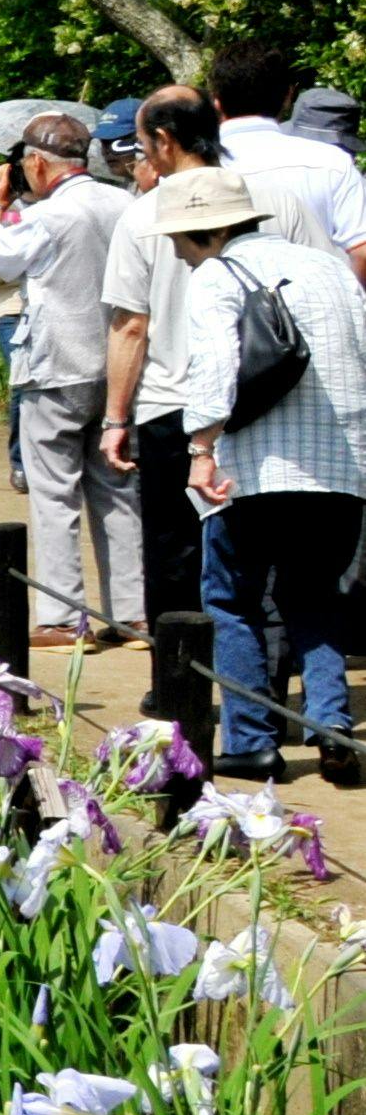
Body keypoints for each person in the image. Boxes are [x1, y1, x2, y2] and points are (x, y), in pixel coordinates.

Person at [166, 162, 366, 784]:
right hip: (343, 465)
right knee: (315, 597)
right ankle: (332, 728)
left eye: (177, 238)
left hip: (254, 469)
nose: (175, 250)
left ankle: (252, 740)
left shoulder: (218, 275)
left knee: (232, 599)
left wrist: (201, 449)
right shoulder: (331, 266)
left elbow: (216, 365)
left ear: (203, 232)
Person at [0, 108, 140, 647]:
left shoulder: (49, 217)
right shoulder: (126, 203)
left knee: (53, 493)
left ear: (38, 163)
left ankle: (64, 617)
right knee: (117, 489)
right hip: (119, 366)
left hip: (57, 365)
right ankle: (132, 614)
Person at [100, 92, 212, 722]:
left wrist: (116, 418)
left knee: (172, 554)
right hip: (256, 401)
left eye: (142, 148)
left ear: (164, 141)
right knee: (254, 557)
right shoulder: (259, 198)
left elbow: (131, 326)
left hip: (171, 403)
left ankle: (173, 686)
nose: (141, 160)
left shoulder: (144, 215)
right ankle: (268, 699)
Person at [207, 44, 366, 280]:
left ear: (215, 101)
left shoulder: (199, 165)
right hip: (318, 307)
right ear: (288, 97)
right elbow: (361, 252)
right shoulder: (332, 162)